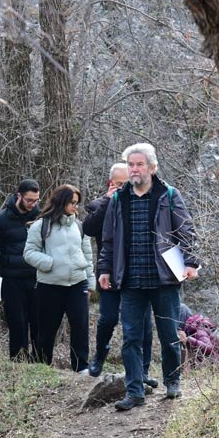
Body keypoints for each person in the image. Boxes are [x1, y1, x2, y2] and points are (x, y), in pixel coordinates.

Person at [98, 143, 199, 411]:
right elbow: (108, 240)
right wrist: (105, 269)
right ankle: (135, 391)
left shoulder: (169, 195)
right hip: (130, 281)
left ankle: (173, 383)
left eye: (139, 164)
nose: (134, 169)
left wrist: (190, 263)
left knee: (168, 334)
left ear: (152, 168)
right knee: (130, 337)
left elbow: (185, 231)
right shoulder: (119, 199)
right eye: (131, 165)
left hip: (164, 279)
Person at [83, 163, 155, 386]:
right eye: (120, 184)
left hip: (138, 273)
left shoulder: (142, 203)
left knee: (143, 322)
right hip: (111, 273)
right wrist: (109, 200)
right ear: (111, 184)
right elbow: (89, 229)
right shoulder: (98, 205)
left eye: (128, 184)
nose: (126, 188)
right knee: (108, 318)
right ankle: (98, 358)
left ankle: (142, 370)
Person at [23, 184, 95, 374]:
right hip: (50, 286)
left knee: (80, 327)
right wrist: (49, 263)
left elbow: (87, 255)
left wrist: (91, 281)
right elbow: (29, 252)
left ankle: (81, 367)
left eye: (77, 203)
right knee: (46, 329)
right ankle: (41, 366)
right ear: (61, 202)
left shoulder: (80, 226)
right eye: (72, 203)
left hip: (78, 284)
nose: (75, 207)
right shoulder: (41, 225)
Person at [0, 179, 41, 362]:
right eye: (29, 200)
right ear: (19, 196)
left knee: (39, 322)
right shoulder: (0, 219)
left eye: (36, 200)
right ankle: (18, 362)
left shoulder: (41, 218)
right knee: (17, 323)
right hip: (11, 279)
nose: (33, 204)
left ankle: (39, 361)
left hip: (37, 277)